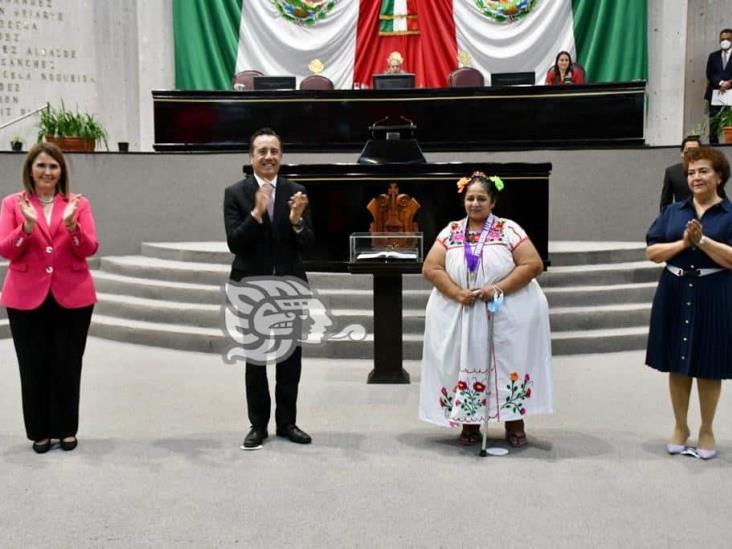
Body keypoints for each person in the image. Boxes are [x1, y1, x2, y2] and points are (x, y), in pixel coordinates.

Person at [419, 172, 553, 448]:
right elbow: (430, 267)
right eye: (470, 198)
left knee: (510, 363)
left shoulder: (508, 230)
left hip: (505, 311)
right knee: (465, 363)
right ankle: (469, 424)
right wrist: (457, 293)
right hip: (464, 310)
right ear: (463, 201)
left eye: (481, 198)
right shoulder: (452, 231)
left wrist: (499, 287)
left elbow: (532, 264)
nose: (475, 203)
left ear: (493, 202)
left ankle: (514, 423)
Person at [0, 143, 98, 454]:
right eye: (41, 165)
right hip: (25, 296)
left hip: (73, 295)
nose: (47, 171)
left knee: (68, 365)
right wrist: (26, 228)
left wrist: (72, 226)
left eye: (53, 166)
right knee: (33, 367)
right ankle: (40, 431)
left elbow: (89, 248)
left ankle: (65, 428)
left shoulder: (78, 204)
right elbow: (5, 249)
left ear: (61, 172)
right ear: (30, 169)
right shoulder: (12, 204)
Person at [223, 127, 314, 450]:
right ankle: (258, 425)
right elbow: (235, 242)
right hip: (252, 290)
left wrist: (296, 221)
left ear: (281, 156)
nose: (268, 157)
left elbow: (308, 244)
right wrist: (257, 212)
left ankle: (287, 423)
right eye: (262, 151)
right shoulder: (235, 193)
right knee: (257, 361)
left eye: (274, 151)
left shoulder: (296, 192)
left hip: (290, 288)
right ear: (251, 157)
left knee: (290, 361)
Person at [645, 146, 732, 460]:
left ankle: (707, 429)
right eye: (692, 172)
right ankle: (680, 427)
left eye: (704, 171)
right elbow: (652, 252)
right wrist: (683, 243)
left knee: (709, 365)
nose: (696, 177)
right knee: (678, 363)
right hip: (675, 289)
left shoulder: (729, 214)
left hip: (714, 291)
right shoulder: (674, 212)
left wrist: (702, 241)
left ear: (718, 176)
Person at [660, 136, 702, 211]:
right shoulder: (672, 172)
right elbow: (665, 202)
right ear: (682, 154)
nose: (691, 154)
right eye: (688, 151)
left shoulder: (710, 171)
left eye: (695, 151)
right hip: (682, 215)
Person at [705, 29, 732, 144]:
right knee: (714, 123)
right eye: (722, 39)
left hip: (731, 93)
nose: (724, 41)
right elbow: (709, 73)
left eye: (728, 39)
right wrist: (721, 83)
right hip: (715, 94)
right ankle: (714, 146)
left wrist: (729, 83)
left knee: (730, 123)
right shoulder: (713, 56)